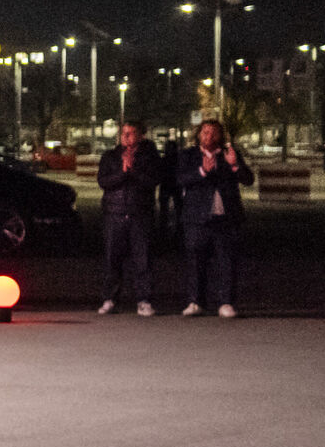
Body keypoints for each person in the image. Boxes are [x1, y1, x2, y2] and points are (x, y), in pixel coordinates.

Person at [178, 118, 246, 318]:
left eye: (214, 132)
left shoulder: (229, 154)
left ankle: (226, 302)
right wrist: (202, 171)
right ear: (198, 134)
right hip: (197, 218)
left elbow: (248, 179)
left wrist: (235, 166)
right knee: (195, 261)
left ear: (220, 135)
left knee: (226, 262)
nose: (209, 136)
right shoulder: (189, 155)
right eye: (205, 132)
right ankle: (195, 301)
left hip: (225, 218)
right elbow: (180, 179)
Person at [96, 121, 164, 316]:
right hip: (114, 213)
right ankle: (109, 299)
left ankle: (144, 300)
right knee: (112, 259)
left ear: (141, 136)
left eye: (132, 133)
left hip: (140, 214)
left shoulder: (149, 157)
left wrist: (133, 170)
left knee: (142, 260)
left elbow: (153, 181)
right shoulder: (110, 156)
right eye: (124, 133)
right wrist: (122, 172)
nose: (127, 137)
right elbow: (103, 181)